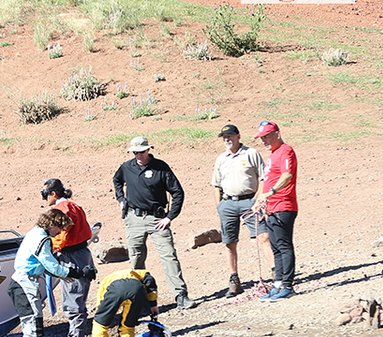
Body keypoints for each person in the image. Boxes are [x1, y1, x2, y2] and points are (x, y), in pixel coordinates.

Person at [112, 136, 196, 310]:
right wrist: (121, 198)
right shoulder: (127, 167)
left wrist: (169, 217)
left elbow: (177, 192)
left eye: (141, 152)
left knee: (169, 256)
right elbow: (117, 180)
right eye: (135, 152)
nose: (138, 155)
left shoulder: (160, 168)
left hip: (158, 219)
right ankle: (140, 298)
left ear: (148, 150)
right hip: (133, 219)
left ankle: (180, 295)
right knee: (136, 258)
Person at [7, 209, 86, 337]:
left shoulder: (34, 233)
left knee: (33, 327)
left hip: (22, 282)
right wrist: (77, 273)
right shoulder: (41, 239)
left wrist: (61, 275)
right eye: (60, 228)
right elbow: (51, 265)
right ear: (52, 223)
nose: (60, 233)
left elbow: (40, 264)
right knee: (33, 328)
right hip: (24, 283)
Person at [211, 124, 274, 297]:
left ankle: (276, 274)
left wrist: (258, 200)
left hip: (250, 201)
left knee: (264, 236)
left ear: (238, 136)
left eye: (230, 136)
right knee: (229, 243)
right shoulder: (221, 159)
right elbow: (216, 185)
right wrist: (220, 206)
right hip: (228, 204)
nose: (227, 139)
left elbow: (264, 179)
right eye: (224, 136)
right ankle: (234, 280)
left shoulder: (251, 153)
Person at [41, 179, 97, 337]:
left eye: (45, 195)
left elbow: (61, 238)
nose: (44, 199)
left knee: (73, 304)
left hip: (71, 257)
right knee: (78, 301)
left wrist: (48, 249)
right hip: (84, 255)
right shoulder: (75, 206)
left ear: (53, 194)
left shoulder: (60, 210)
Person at [253, 121, 299, 301]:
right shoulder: (272, 155)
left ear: (277, 134)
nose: (263, 140)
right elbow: (268, 181)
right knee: (275, 247)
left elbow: (287, 175)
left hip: (284, 205)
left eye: (266, 136)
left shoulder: (286, 151)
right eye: (261, 138)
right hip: (271, 207)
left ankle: (287, 284)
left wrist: (271, 193)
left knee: (284, 245)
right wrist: (259, 200)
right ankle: (278, 283)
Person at [91, 269, 160, 337]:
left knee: (100, 324)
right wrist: (153, 304)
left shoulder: (106, 281)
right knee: (128, 325)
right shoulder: (140, 273)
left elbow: (100, 306)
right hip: (137, 289)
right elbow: (150, 281)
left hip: (116, 289)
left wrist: (101, 317)